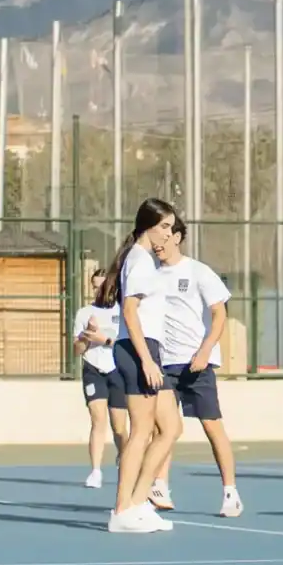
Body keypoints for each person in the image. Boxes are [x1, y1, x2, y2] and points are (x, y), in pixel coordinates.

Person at [147, 217, 243, 517]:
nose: (157, 243)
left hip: (196, 364)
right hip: (163, 364)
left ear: (176, 237)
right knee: (163, 428)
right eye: (153, 237)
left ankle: (230, 493)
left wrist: (204, 352)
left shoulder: (199, 272)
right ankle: (159, 486)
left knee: (212, 426)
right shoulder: (149, 275)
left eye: (163, 236)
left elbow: (219, 315)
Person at [102, 198, 182, 534]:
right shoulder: (139, 260)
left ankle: (138, 502)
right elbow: (131, 313)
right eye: (164, 226)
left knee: (170, 428)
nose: (169, 233)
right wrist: (147, 359)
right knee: (141, 431)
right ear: (147, 225)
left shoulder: (146, 260)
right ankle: (122, 509)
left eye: (171, 227)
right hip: (138, 350)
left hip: (148, 349)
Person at [70, 269, 124, 489]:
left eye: (102, 285)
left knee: (119, 426)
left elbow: (126, 345)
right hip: (94, 369)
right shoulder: (84, 313)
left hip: (118, 369)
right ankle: (95, 470)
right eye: (94, 286)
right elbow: (77, 349)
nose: (98, 290)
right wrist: (86, 335)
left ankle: (124, 459)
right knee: (97, 419)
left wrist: (106, 339)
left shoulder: (123, 311)